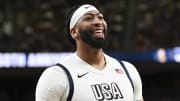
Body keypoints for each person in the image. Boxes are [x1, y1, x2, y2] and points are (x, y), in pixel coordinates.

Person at [35, 4, 144, 101]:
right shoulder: (56, 75)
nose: (98, 22)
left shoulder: (128, 70)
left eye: (100, 17)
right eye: (88, 18)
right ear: (74, 32)